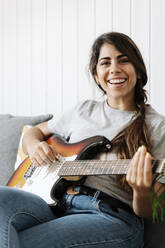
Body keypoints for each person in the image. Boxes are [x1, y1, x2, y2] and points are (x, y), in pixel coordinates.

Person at [0, 32, 165, 248]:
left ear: (138, 69)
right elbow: (34, 131)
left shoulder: (157, 126)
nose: (114, 68)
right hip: (53, 204)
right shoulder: (82, 110)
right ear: (96, 75)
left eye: (123, 60)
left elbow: (154, 210)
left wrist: (141, 191)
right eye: (105, 62)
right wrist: (35, 146)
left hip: (110, 217)